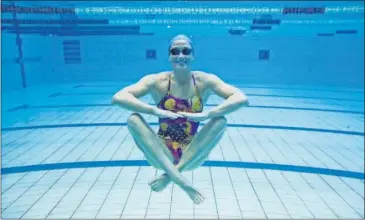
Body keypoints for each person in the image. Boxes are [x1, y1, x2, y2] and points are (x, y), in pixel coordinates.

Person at [112, 34, 249, 204]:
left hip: (192, 155)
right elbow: (119, 97)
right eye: (175, 51)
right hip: (161, 154)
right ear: (169, 56)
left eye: (186, 51)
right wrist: (155, 111)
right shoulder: (158, 81)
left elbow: (241, 98)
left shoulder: (204, 81)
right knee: (133, 119)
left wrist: (207, 114)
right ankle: (183, 182)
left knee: (220, 121)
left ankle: (170, 176)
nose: (181, 56)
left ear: (193, 55)